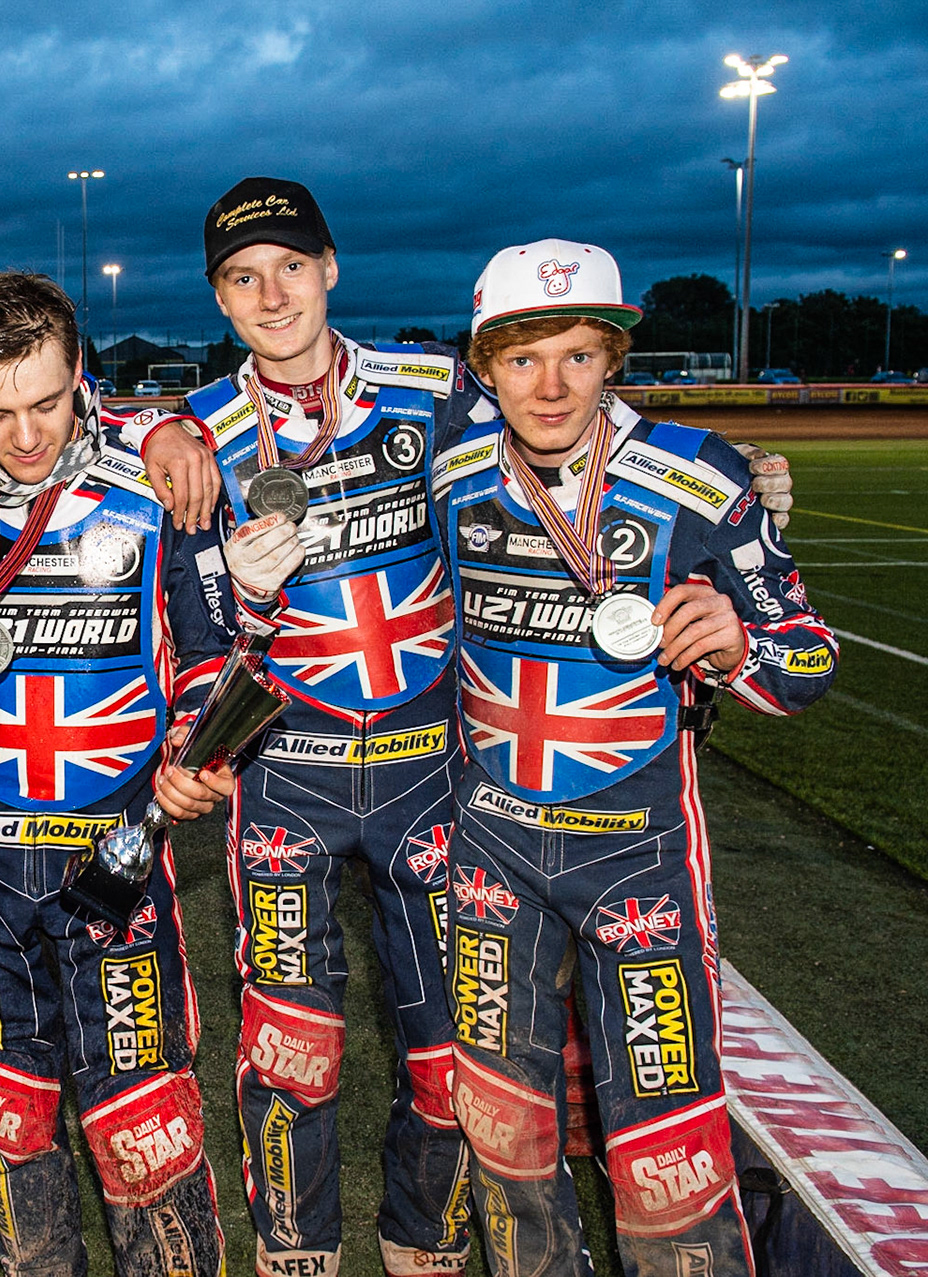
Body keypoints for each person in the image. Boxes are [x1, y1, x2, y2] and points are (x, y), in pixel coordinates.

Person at [110, 179, 801, 1277]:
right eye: (244, 278)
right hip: (286, 769)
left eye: (293, 265)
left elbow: (570, 440)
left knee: (452, 1053)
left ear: (332, 268)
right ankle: (297, 1252)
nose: (273, 293)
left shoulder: (435, 385)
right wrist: (151, 426)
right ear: (218, 297)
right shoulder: (198, 428)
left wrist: (735, 504)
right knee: (291, 1040)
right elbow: (125, 503)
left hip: (434, 768)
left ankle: (421, 1237)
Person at [0, 271, 261, 1277]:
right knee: (9, 1120)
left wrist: (201, 756)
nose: (25, 432)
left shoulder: (157, 489)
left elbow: (216, 658)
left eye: (46, 400)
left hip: (116, 862)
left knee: (144, 1124)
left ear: (81, 375)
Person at [434, 239, 835, 1275]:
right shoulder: (452, 471)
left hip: (638, 853)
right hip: (492, 855)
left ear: (615, 354)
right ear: (484, 367)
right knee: (506, 1132)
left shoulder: (699, 473)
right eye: (523, 360)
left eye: (577, 353)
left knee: (666, 1147)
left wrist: (743, 643)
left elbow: (806, 657)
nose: (551, 384)